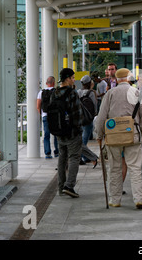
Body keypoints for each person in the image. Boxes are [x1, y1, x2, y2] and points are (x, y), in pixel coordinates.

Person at [95, 68, 142, 209]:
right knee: (135, 168)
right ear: (128, 78)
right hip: (133, 135)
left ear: (117, 80)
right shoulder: (136, 92)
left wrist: (100, 134)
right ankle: (139, 199)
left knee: (114, 168)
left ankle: (115, 200)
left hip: (113, 136)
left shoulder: (110, 93)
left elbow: (101, 117)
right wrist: (141, 131)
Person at [53, 68, 83, 198]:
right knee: (74, 157)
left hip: (59, 131)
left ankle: (61, 188)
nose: (74, 79)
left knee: (62, 158)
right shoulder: (72, 93)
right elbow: (77, 113)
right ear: (68, 78)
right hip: (72, 132)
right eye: (73, 77)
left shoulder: (55, 92)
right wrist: (78, 128)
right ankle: (69, 186)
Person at [78, 74, 99, 168]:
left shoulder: (78, 92)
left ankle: (84, 156)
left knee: (82, 138)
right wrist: (94, 114)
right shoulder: (91, 93)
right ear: (90, 83)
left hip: (80, 118)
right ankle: (83, 156)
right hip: (88, 119)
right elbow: (94, 105)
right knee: (84, 139)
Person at [36, 76, 59, 159]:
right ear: (54, 83)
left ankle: (47, 153)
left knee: (46, 135)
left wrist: (42, 115)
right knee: (57, 134)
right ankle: (57, 152)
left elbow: (38, 106)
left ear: (46, 83)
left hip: (45, 116)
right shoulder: (57, 92)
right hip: (55, 116)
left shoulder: (41, 92)